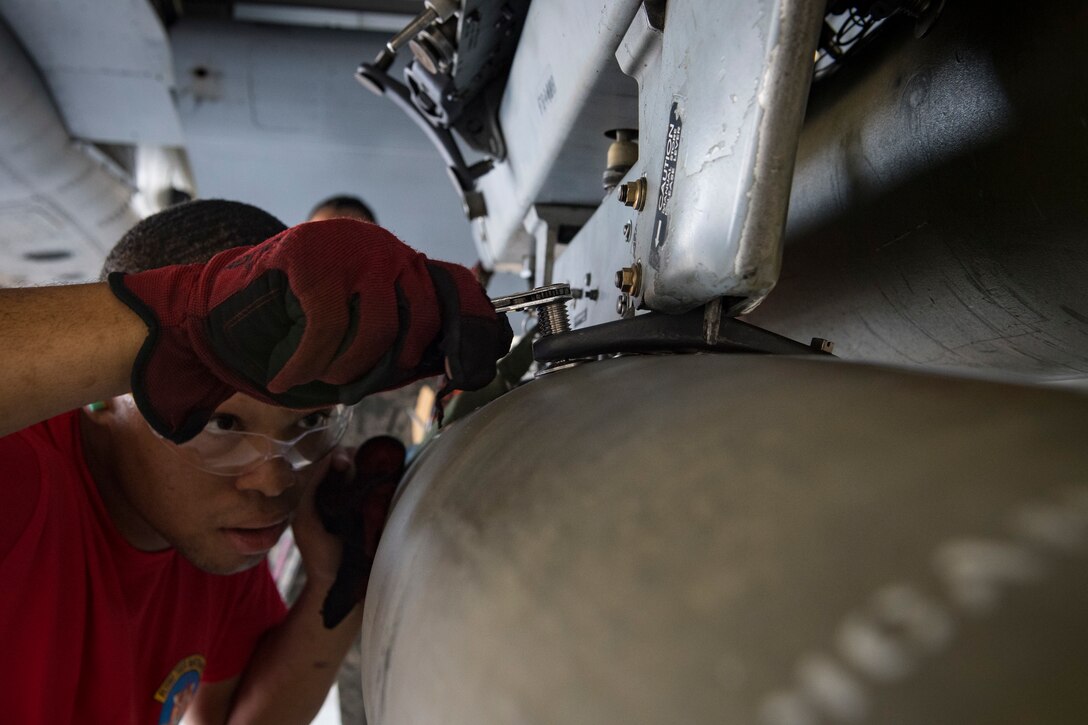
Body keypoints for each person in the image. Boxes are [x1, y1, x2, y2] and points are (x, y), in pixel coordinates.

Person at [0, 199, 512, 723]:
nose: (273, 481)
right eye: (223, 425)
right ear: (108, 394)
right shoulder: (26, 484)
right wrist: (174, 317)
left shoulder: (210, 541)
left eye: (308, 424)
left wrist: (340, 587)